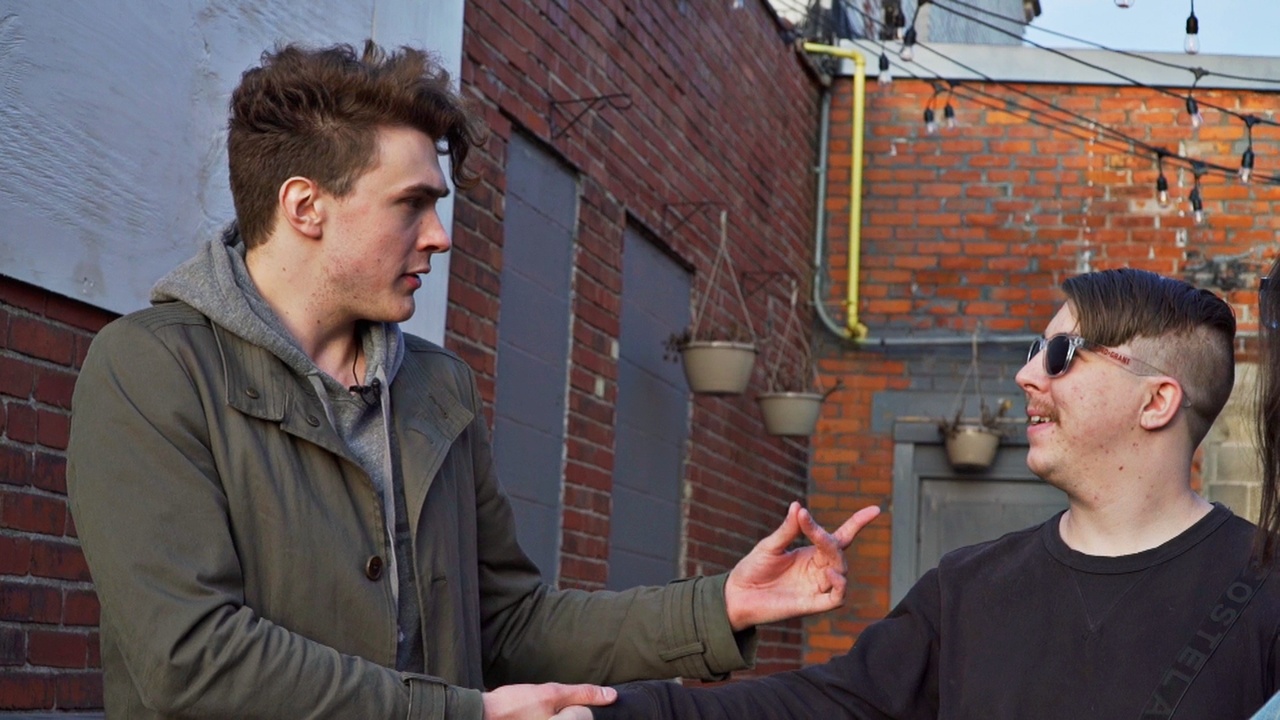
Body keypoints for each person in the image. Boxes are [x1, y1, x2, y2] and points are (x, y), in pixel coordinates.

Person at [65, 41, 882, 719]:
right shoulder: (153, 370)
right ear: (305, 206)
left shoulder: (437, 388)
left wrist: (721, 604)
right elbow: (191, 657)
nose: (440, 235)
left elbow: (510, 624)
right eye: (411, 204)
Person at [567, 268, 1280, 719]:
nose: (1028, 375)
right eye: (1032, 350)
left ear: (1156, 402)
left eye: (1062, 354)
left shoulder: (1265, 591)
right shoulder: (967, 589)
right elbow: (823, 706)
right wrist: (612, 712)